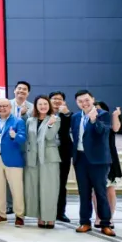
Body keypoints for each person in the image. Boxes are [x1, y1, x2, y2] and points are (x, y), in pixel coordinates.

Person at [71, 91, 114, 236]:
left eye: (86, 100)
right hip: (80, 159)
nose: (84, 103)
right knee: (83, 193)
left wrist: (94, 120)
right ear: (77, 103)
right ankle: (84, 222)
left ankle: (105, 223)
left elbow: (103, 133)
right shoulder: (76, 117)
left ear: (92, 99)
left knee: (101, 192)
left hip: (98, 160)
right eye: (80, 101)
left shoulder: (103, 114)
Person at [0, 98, 27, 226]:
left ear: (10, 107)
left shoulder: (18, 121)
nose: (2, 108)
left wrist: (15, 136)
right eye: (0, 106)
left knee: (16, 189)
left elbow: (23, 139)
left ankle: (19, 215)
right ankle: (1, 214)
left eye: (5, 106)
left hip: (13, 159)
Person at [25, 96, 61, 228]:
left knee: (49, 189)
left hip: (49, 158)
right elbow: (28, 139)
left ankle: (50, 218)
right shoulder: (30, 120)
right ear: (35, 106)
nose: (43, 106)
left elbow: (50, 137)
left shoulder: (55, 119)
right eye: (40, 104)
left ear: (49, 105)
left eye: (45, 104)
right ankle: (40, 217)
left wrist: (50, 124)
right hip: (33, 159)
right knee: (35, 188)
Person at [93, 101, 122, 231]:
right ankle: (98, 217)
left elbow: (116, 128)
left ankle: (110, 217)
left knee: (110, 188)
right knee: (95, 191)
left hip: (109, 157)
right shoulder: (89, 122)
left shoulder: (109, 122)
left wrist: (115, 115)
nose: (97, 112)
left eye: (99, 110)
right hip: (94, 158)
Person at [51, 91, 73, 223]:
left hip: (63, 153)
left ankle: (60, 212)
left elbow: (71, 124)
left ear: (63, 102)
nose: (56, 101)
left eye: (59, 99)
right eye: (54, 98)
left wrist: (66, 113)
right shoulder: (44, 113)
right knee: (47, 183)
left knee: (61, 183)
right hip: (47, 153)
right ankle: (47, 210)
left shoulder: (67, 115)